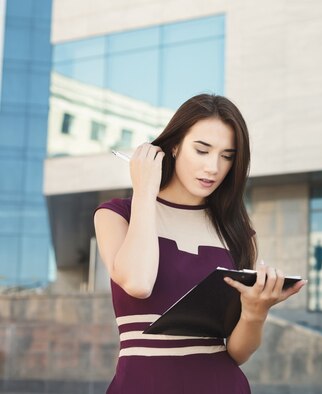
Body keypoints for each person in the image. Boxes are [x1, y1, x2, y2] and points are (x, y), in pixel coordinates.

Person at [93, 94, 306, 393]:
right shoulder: (116, 214)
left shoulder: (238, 233)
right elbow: (138, 283)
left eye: (227, 156)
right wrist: (145, 191)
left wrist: (256, 311)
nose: (213, 167)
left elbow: (237, 352)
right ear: (175, 146)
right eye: (202, 150)